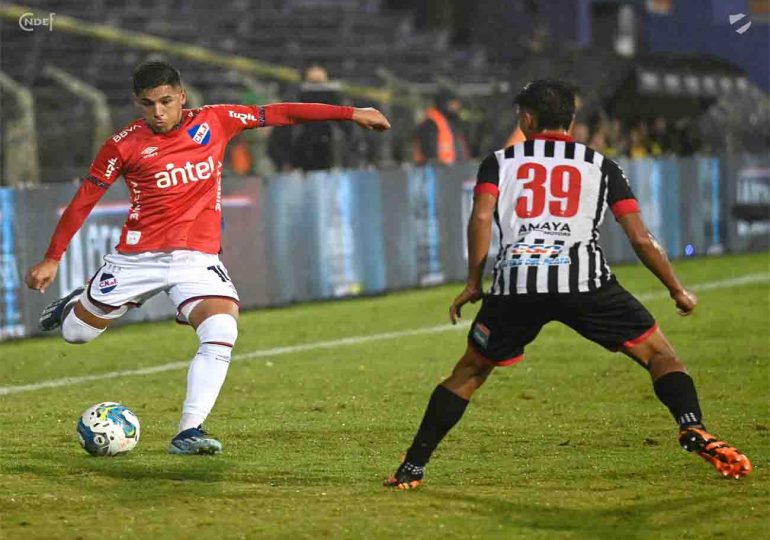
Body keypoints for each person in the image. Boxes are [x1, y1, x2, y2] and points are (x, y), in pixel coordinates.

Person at [385, 79, 751, 489]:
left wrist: (473, 281)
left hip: (518, 282)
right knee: (661, 355)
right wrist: (676, 289)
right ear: (572, 120)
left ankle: (412, 467)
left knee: (469, 371)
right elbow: (640, 238)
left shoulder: (499, 162)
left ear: (526, 118)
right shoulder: (601, 165)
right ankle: (691, 425)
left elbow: (482, 217)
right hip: (585, 282)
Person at [24, 60, 390, 455]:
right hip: (138, 259)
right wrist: (52, 257)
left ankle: (189, 430)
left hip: (196, 259)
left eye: (166, 101)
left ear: (182, 96)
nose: (159, 112)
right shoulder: (122, 145)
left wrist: (352, 113)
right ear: (137, 103)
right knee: (76, 335)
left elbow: (279, 113)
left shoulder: (216, 120)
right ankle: (77, 303)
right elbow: (85, 199)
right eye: (148, 104)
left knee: (222, 330)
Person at [412, 89, 470, 165]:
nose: (457, 107)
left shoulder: (450, 123)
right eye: (453, 103)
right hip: (438, 171)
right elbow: (429, 151)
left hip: (452, 170)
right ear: (445, 104)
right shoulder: (431, 123)